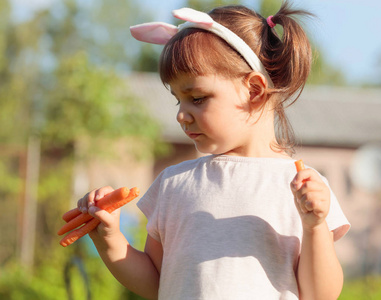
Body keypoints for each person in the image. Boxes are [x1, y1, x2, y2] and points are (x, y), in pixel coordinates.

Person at [77, 2, 350, 299]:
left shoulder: (303, 187)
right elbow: (157, 283)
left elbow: (320, 295)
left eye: (197, 97)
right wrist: (110, 239)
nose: (181, 114)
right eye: (177, 100)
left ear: (255, 91)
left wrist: (314, 226)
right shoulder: (173, 184)